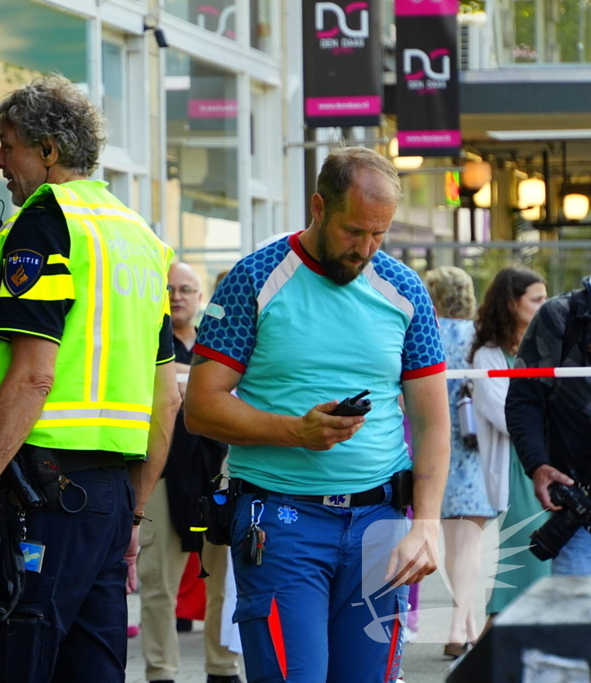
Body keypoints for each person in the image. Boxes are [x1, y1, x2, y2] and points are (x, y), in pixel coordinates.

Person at [0, 74, 181, 683]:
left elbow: (34, 376)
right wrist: (133, 516)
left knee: (11, 662)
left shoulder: (44, 221)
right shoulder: (142, 239)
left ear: (49, 151)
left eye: (8, 143)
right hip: (109, 499)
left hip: (38, 493)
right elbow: (165, 400)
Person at [185, 147, 450, 683]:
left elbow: (432, 420)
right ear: (318, 207)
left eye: (380, 234)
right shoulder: (253, 279)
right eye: (355, 231)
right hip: (281, 522)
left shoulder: (405, 291)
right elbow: (200, 407)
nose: (367, 249)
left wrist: (427, 524)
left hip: (379, 523)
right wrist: (296, 432)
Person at [139, 262, 241, 683]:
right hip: (161, 473)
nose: (177, 296)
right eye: (169, 288)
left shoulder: (215, 343)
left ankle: (222, 668)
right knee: (158, 583)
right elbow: (148, 379)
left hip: (216, 473)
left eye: (186, 289)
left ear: (201, 299)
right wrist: (201, 380)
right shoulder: (145, 340)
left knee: (221, 584)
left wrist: (186, 379)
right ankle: (160, 672)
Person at [423, 266, 496, 657]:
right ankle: (458, 628)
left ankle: (465, 625)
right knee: (470, 545)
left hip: (437, 449)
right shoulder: (477, 340)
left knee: (454, 546)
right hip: (475, 448)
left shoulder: (425, 335)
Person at [471, 266, 549, 618]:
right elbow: (507, 418)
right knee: (523, 571)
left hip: (550, 465)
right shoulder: (488, 355)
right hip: (517, 473)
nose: (545, 306)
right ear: (511, 304)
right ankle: (487, 663)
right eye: (537, 299)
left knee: (543, 576)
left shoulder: (546, 347)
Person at [506, 275, 591, 576]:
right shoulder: (561, 315)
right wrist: (537, 464)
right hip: (581, 515)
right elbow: (523, 399)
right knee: (574, 621)